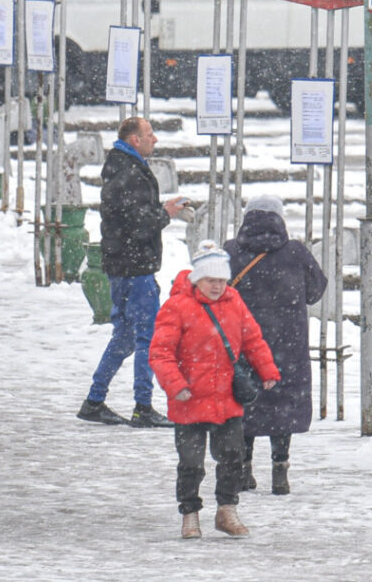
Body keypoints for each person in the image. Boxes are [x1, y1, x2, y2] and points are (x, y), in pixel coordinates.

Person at [149, 241, 279, 539]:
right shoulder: (177, 307)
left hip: (225, 399)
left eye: (222, 280)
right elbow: (160, 353)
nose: (217, 286)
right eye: (211, 280)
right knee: (191, 464)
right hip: (189, 400)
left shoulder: (234, 302)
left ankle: (227, 511)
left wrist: (267, 369)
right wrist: (176, 385)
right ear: (197, 279)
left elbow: (252, 340)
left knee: (233, 457)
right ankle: (190, 515)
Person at [77, 117, 188, 428]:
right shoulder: (130, 172)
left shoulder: (120, 166)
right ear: (135, 140)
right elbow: (138, 222)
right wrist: (165, 213)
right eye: (150, 135)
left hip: (120, 265)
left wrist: (158, 211)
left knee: (125, 337)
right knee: (147, 338)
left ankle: (94, 400)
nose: (155, 140)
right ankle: (143, 406)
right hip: (135, 267)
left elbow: (128, 215)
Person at [225, 194, 327, 496]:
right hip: (288, 345)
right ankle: (280, 469)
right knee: (282, 405)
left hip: (243, 341)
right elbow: (315, 291)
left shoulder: (230, 250)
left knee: (245, 400)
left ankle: (244, 469)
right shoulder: (295, 252)